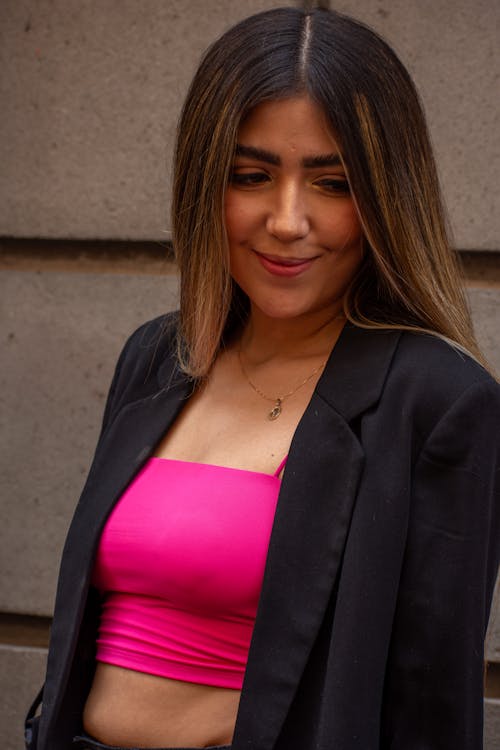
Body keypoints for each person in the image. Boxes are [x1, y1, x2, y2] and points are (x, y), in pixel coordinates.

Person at [25, 6, 500, 750]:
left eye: (333, 184)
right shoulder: (159, 356)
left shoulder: (437, 404)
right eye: (251, 176)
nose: (286, 221)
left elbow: (431, 704)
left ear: (385, 198)